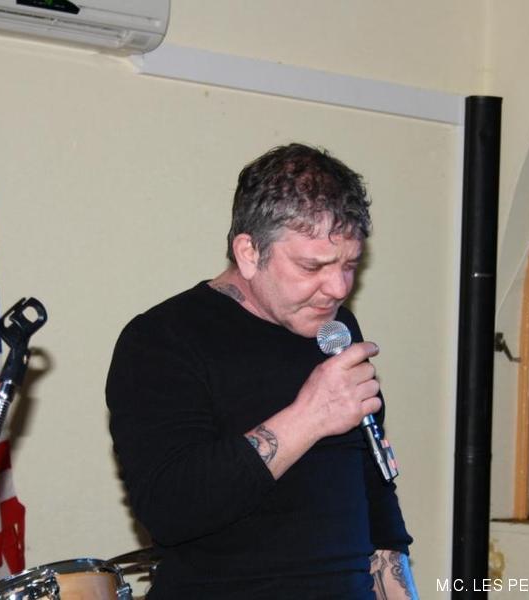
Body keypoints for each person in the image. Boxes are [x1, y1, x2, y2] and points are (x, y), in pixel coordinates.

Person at [106, 143, 418, 599]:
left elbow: (376, 499)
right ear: (249, 252)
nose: (337, 288)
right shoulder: (162, 339)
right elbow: (170, 509)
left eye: (349, 265)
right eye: (312, 266)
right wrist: (309, 417)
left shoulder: (336, 330)